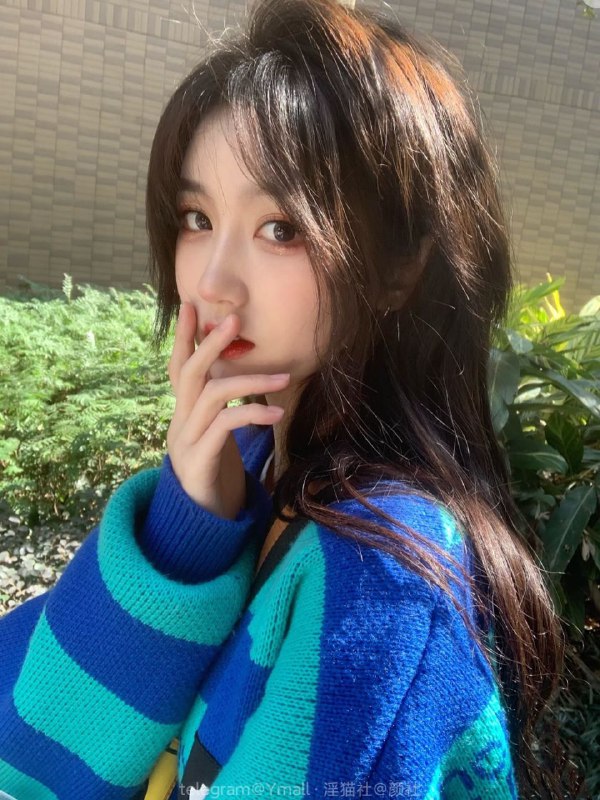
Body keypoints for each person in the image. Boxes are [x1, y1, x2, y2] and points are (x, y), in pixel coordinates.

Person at [0, 0, 570, 797]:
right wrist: (186, 533)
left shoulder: (382, 583)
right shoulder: (248, 468)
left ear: (400, 269)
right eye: (197, 217)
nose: (211, 282)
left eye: (281, 229)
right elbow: (31, 740)